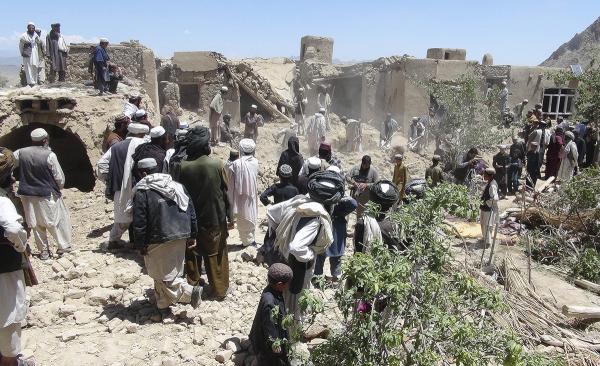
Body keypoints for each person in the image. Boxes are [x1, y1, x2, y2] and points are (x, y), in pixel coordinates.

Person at [131, 158, 202, 320]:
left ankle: (190, 292)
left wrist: (140, 244)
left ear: (143, 173)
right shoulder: (177, 186)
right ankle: (163, 305)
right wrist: (192, 234)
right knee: (169, 272)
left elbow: (140, 221)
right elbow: (191, 211)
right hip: (180, 235)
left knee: (160, 274)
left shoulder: (143, 191)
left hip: (157, 238)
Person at [267, 171, 343, 320]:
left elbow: (271, 212)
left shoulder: (300, 201)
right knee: (295, 297)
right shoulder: (315, 217)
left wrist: (281, 236)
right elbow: (297, 247)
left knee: (285, 295)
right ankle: (292, 331)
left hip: (284, 258)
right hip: (298, 265)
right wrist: (311, 253)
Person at [177, 127, 233, 300]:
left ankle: (193, 285)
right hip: (214, 218)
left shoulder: (182, 166)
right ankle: (219, 289)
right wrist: (230, 217)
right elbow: (225, 192)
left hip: (189, 220)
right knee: (216, 253)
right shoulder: (216, 164)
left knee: (192, 253)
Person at [14, 128, 72, 260]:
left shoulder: (21, 152)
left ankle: (44, 252)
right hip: (46, 194)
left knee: (35, 224)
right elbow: (60, 178)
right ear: (45, 140)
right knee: (55, 221)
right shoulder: (49, 155)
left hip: (27, 195)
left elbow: (9, 163)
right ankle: (63, 247)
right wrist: (58, 188)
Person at [0, 149, 35, 366]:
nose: (13, 178)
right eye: (9, 174)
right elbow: (13, 228)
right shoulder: (2, 201)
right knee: (9, 314)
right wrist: (20, 244)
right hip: (4, 267)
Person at [96, 123, 149, 249]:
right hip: (141, 185)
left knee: (122, 217)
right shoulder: (144, 145)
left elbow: (101, 165)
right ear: (142, 134)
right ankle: (142, 244)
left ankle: (114, 241)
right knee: (143, 214)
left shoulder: (116, 147)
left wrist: (109, 179)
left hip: (120, 187)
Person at [249, 263, 293, 366]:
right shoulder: (269, 302)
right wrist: (274, 343)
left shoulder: (272, 289)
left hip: (273, 331)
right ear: (280, 284)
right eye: (288, 283)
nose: (288, 286)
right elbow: (269, 325)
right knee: (273, 359)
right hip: (267, 340)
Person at [314, 193, 357, 282]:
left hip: (336, 231)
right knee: (320, 256)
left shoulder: (339, 206)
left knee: (336, 257)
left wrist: (341, 196)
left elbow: (353, 204)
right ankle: (317, 279)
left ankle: (335, 278)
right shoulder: (319, 202)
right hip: (324, 230)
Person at [353, 180, 401, 253]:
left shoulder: (363, 223)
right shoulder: (399, 223)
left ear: (372, 199)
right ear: (393, 202)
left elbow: (358, 252)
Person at [228, 139, 259, 247]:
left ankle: (247, 243)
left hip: (239, 197)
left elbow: (231, 185)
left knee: (242, 218)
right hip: (251, 196)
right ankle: (250, 241)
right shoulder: (255, 162)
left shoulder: (235, 164)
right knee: (251, 216)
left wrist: (230, 200)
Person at [347, 155, 379, 219]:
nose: (365, 167)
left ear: (370, 164)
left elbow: (377, 184)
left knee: (365, 215)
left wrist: (367, 185)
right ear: (362, 162)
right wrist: (354, 183)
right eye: (364, 165)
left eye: (367, 166)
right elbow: (347, 176)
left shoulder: (373, 171)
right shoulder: (356, 168)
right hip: (355, 196)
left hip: (366, 198)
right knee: (356, 213)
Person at [480, 168, 499, 247]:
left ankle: (488, 242)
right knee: (484, 224)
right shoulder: (490, 182)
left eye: (485, 175)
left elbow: (495, 198)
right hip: (485, 207)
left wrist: (486, 202)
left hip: (488, 208)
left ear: (490, 176)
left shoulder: (492, 185)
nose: (484, 176)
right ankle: (485, 239)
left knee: (487, 225)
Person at [19, 22, 40, 86]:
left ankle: (35, 81)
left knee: (35, 66)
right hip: (27, 54)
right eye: (30, 28)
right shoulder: (24, 36)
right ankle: (30, 83)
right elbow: (20, 46)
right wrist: (23, 53)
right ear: (27, 28)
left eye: (33, 28)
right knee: (28, 68)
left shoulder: (36, 36)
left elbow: (38, 44)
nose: (32, 29)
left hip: (35, 53)